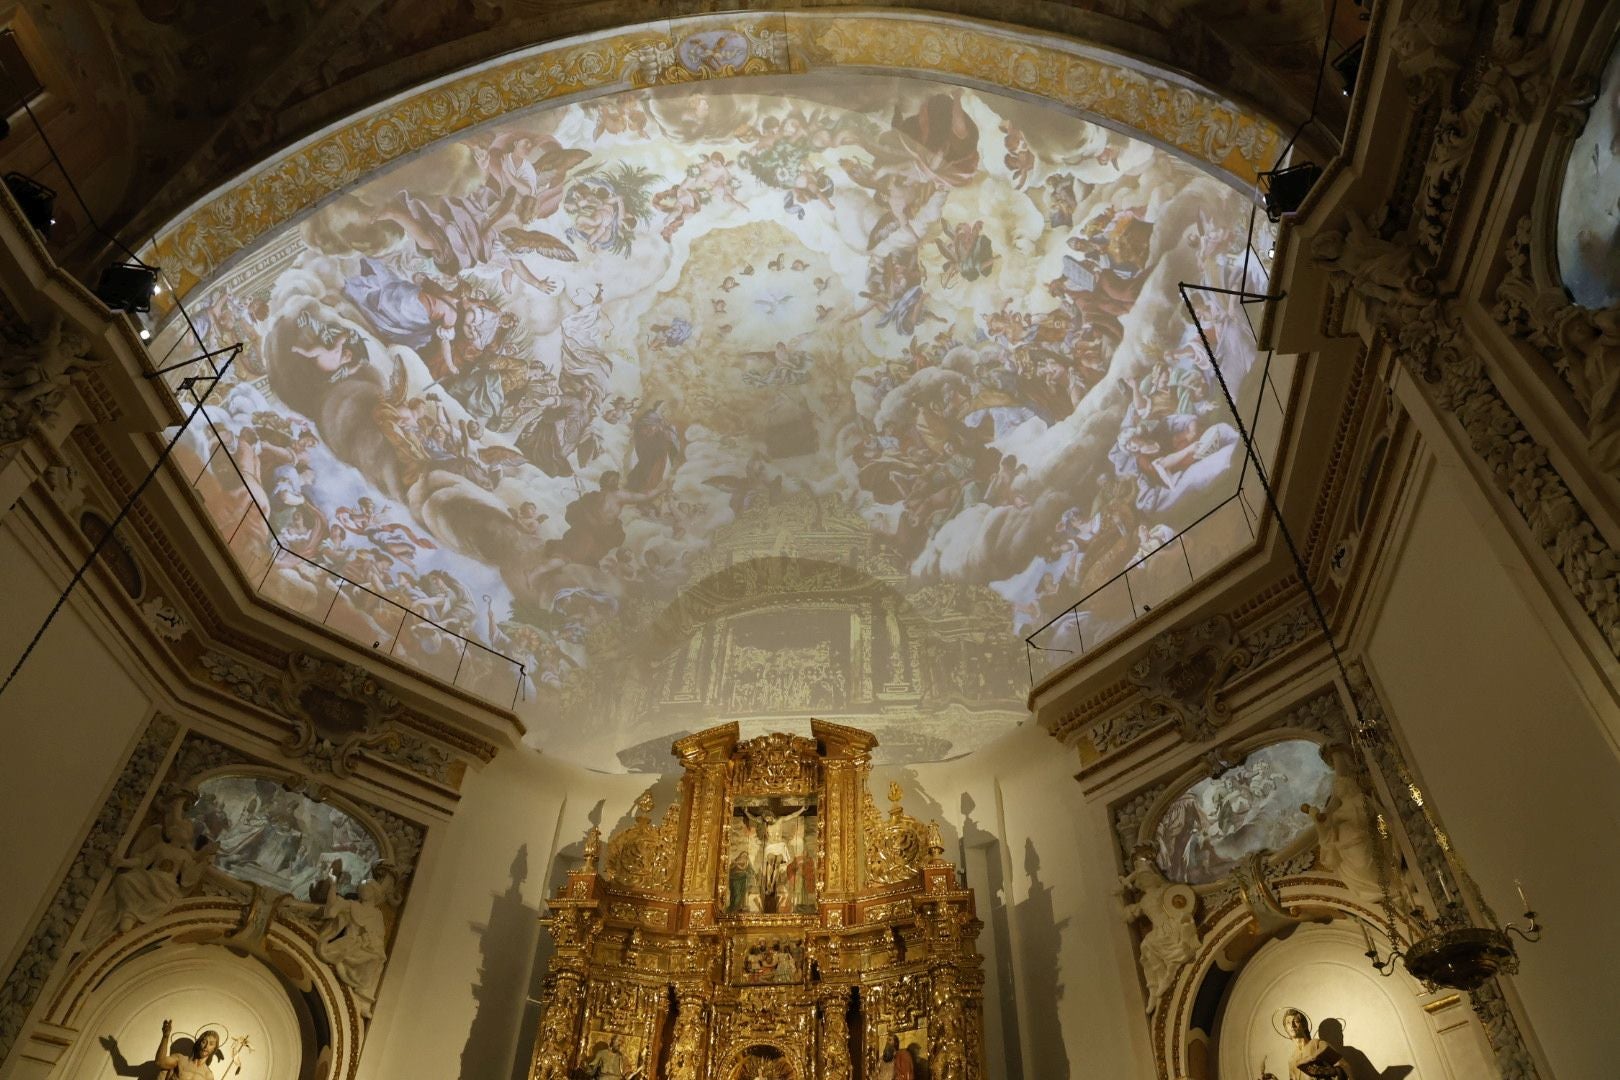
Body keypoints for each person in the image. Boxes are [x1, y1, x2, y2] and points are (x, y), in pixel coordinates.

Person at [1258, 1009, 1349, 1080]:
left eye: (1296, 1021)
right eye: (1288, 1023)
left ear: (1304, 1025)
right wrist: (1274, 1078)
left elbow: (1344, 1066)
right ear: (1286, 1029)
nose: (1292, 1025)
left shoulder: (1317, 1044)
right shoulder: (1291, 1060)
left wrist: (1326, 1071)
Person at [153, 1020, 219, 1080]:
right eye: (204, 1042)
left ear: (214, 1049)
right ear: (199, 1043)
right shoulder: (180, 1060)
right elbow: (159, 1062)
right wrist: (165, 1037)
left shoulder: (208, 1075)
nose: (206, 1046)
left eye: (211, 1044)